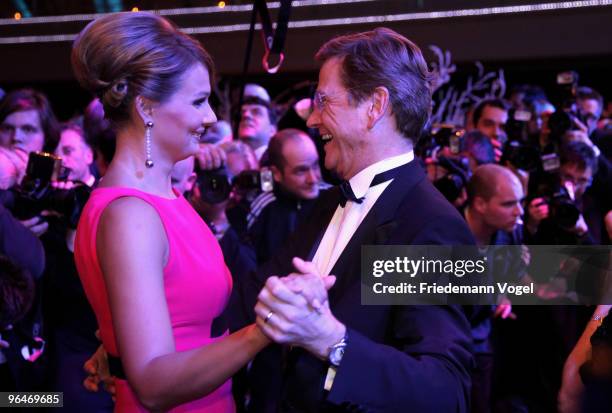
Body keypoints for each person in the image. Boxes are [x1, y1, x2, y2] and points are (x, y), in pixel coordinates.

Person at [245, 27, 476, 412]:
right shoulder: (326, 205)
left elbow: (444, 390)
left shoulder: (427, 225)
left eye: (323, 101)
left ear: (374, 106)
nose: (313, 119)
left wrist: (332, 341)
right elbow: (254, 288)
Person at [71, 12, 272, 412]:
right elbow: (154, 382)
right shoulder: (132, 215)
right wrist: (265, 331)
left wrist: (115, 352)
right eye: (199, 101)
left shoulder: (163, 200)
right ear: (146, 107)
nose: (211, 117)